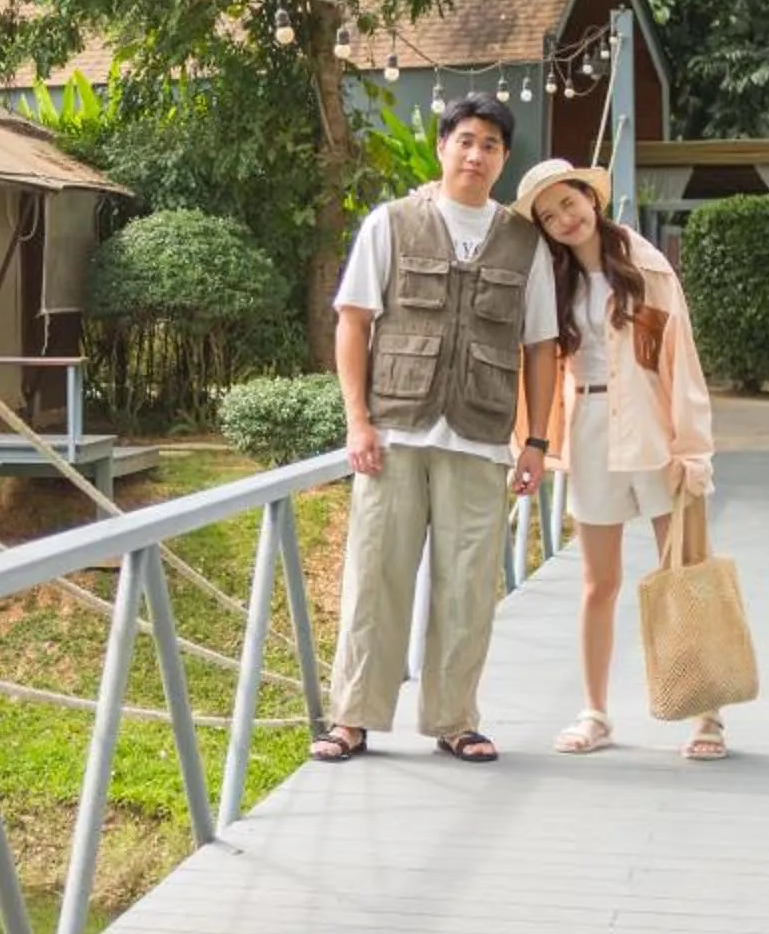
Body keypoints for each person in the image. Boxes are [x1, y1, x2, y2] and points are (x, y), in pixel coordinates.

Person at [311, 92, 559, 764]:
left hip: (480, 438)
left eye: (491, 145)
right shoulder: (390, 225)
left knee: (470, 587)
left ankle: (454, 720)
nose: (476, 155)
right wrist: (357, 421)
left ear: (505, 159)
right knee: (374, 577)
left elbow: (540, 345)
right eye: (466, 140)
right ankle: (353, 719)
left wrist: (536, 441)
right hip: (395, 433)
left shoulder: (525, 243)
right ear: (443, 146)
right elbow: (354, 322)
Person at [512, 158, 728, 761]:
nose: (564, 219)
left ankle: (706, 713)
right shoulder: (552, 281)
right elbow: (539, 360)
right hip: (589, 428)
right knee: (598, 582)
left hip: (654, 429)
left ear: (590, 198)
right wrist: (534, 438)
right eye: (549, 216)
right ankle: (595, 712)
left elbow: (678, 360)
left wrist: (692, 448)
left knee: (683, 572)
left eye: (569, 203)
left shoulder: (644, 266)